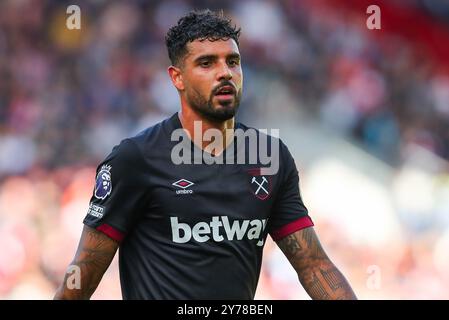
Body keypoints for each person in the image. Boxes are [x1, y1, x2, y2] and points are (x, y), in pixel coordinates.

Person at [54, 9, 356, 300]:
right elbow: (83, 274)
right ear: (177, 78)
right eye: (207, 63)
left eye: (233, 61)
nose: (225, 73)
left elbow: (313, 265)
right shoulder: (136, 159)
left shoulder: (269, 157)